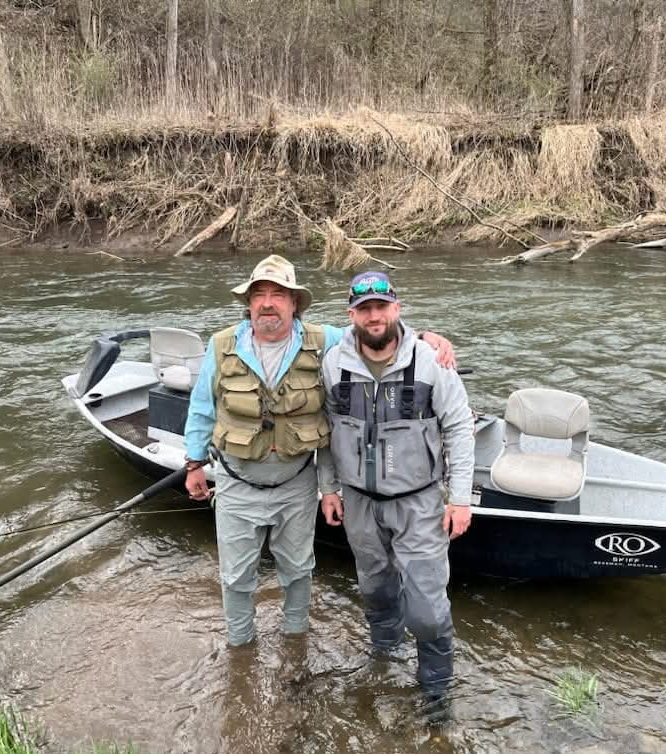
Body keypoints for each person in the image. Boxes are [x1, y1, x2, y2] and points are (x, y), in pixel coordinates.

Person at [183, 255, 453, 647]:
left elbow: (374, 327)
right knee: (236, 577)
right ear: (249, 304)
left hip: (297, 484)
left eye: (279, 294)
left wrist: (426, 336)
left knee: (298, 571)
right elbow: (202, 408)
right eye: (259, 295)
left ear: (295, 303)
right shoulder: (222, 344)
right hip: (237, 483)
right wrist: (193, 463)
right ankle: (240, 650)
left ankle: (296, 648)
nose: (268, 303)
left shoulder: (324, 339)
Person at [318, 271, 474, 702]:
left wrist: (460, 498)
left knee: (427, 609)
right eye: (364, 308)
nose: (374, 316)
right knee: (375, 590)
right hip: (359, 503)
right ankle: (383, 659)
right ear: (352, 314)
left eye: (381, 307)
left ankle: (437, 694)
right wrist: (328, 488)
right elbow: (326, 432)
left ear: (396, 309)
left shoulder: (430, 360)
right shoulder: (333, 363)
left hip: (419, 503)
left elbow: (460, 428)